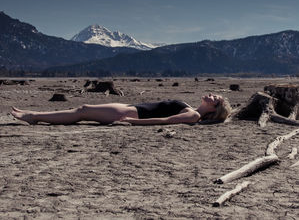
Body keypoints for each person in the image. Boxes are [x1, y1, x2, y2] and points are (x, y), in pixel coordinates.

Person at [11, 94, 231, 125]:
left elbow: (164, 121)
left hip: (127, 113)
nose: (212, 95)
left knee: (82, 111)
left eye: (216, 98)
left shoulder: (193, 115)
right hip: (128, 108)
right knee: (82, 109)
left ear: (214, 108)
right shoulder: (192, 109)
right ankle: (34, 115)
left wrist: (131, 121)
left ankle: (34, 117)